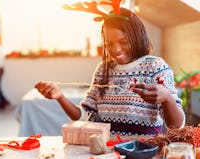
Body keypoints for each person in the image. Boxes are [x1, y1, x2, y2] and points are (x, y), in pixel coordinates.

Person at [35, 3, 185, 135]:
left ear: (137, 37)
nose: (117, 50)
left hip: (143, 154)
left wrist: (167, 98)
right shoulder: (103, 70)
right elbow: (85, 116)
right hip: (107, 154)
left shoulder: (156, 68)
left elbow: (177, 126)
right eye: (109, 44)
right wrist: (60, 97)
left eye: (123, 42)